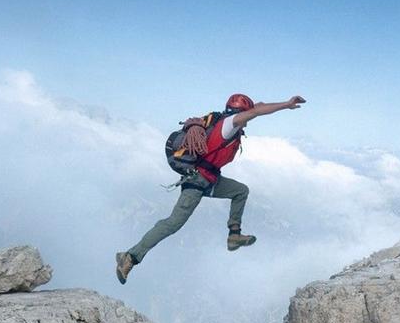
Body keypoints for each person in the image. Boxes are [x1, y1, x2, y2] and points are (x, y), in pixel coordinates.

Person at [116, 93, 306, 283]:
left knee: (240, 191)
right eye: (246, 115)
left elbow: (258, 106)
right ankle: (130, 257)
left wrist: (272, 105)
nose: (248, 120)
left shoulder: (226, 121)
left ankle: (234, 235)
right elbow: (256, 111)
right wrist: (287, 104)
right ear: (241, 112)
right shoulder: (230, 124)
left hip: (210, 179)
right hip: (197, 182)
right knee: (173, 223)